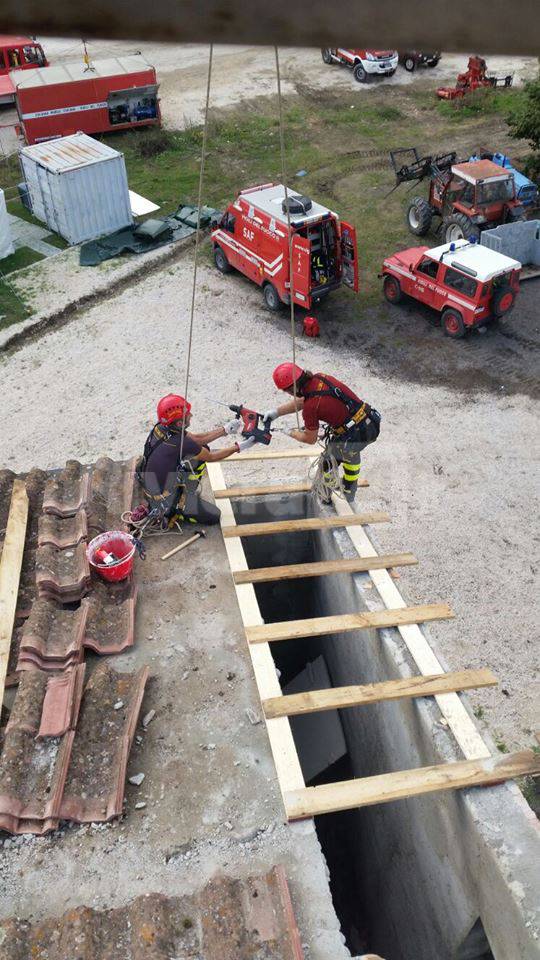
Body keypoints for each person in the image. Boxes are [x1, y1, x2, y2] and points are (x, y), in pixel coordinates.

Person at [264, 363, 380, 502]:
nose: (288, 394)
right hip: (369, 422)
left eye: (287, 391)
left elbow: (310, 438)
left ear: (292, 388)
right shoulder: (320, 378)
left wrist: (290, 432)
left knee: (328, 463)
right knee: (350, 452)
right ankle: (350, 488)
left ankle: (325, 496)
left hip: (355, 433)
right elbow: (302, 401)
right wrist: (277, 413)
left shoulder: (311, 407)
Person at [137, 393, 255, 525]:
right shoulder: (180, 442)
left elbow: (198, 440)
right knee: (214, 516)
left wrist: (225, 430)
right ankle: (173, 511)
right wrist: (240, 446)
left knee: (202, 448)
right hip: (162, 498)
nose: (191, 415)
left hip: (152, 481)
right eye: (188, 414)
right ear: (180, 422)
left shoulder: (162, 427)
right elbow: (211, 457)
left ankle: (188, 491)